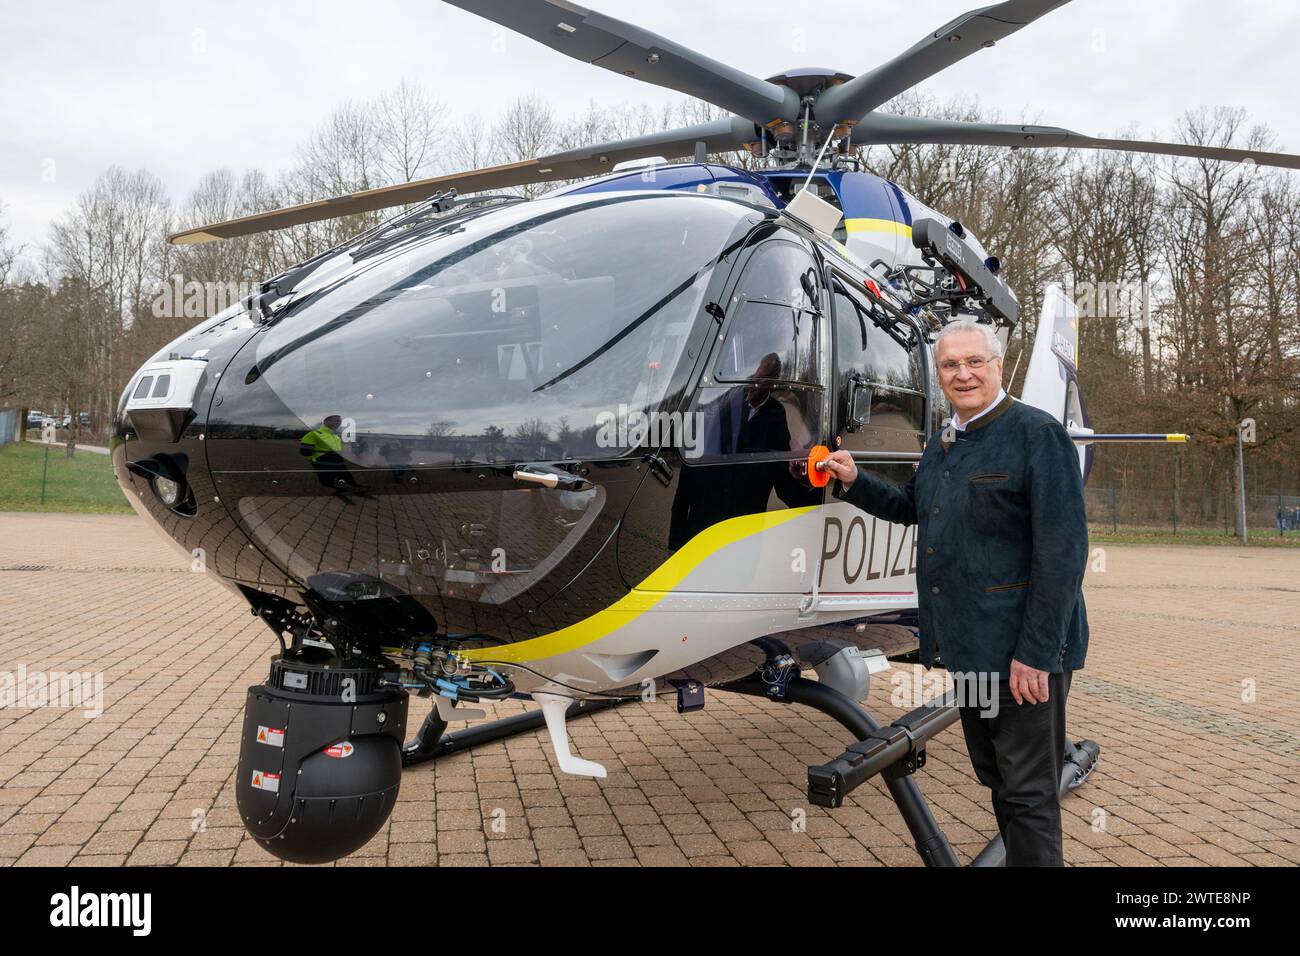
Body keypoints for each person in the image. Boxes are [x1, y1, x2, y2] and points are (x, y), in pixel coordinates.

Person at [821, 318, 1089, 866]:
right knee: (996, 777)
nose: (962, 374)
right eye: (949, 365)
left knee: (1029, 790)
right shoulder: (946, 442)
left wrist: (1036, 655)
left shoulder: (1037, 436)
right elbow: (913, 507)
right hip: (969, 649)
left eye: (974, 362)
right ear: (938, 374)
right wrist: (853, 479)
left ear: (997, 366)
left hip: (1022, 656)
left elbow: (1062, 558)